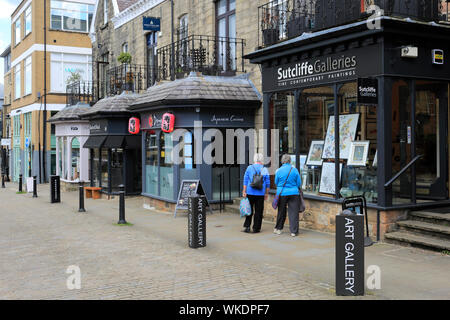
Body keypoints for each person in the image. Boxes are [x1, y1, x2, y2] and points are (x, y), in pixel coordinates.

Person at [274, 154, 302, 237]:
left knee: (281, 211)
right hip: (294, 193)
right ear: (290, 161)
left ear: (282, 161)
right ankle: (294, 231)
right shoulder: (294, 170)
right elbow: (299, 183)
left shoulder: (278, 170)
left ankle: (278, 229)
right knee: (294, 213)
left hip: (282, 193)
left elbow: (276, 182)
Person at [242, 153, 270, 233]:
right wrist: (266, 193)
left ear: (254, 159)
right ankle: (256, 228)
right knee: (259, 211)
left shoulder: (249, 168)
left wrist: (244, 191)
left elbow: (245, 180)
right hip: (260, 193)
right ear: (262, 160)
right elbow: (268, 183)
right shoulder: (264, 169)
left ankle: (247, 227)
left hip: (250, 192)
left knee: (248, 210)